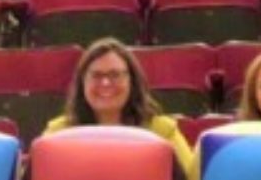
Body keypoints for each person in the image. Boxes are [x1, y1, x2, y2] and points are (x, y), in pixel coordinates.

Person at [44, 38, 189, 163]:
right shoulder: (57, 134)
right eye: (96, 75)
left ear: (132, 81)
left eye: (115, 75)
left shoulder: (163, 132)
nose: (106, 83)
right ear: (82, 83)